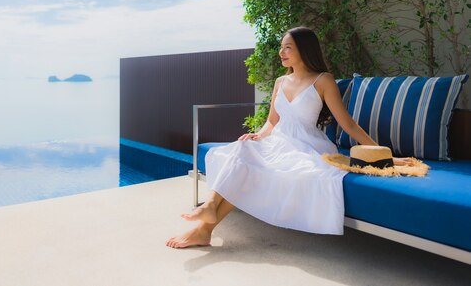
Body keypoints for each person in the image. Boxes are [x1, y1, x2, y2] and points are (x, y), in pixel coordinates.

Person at [166, 26, 410, 248]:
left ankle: (206, 224)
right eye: (281, 47)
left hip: (305, 146)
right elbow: (272, 120)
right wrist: (258, 135)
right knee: (242, 148)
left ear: (304, 50)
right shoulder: (280, 81)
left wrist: (385, 156)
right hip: (276, 141)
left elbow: (348, 124)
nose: (281, 52)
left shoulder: (322, 80)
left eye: (288, 47)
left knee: (246, 162)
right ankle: (207, 218)